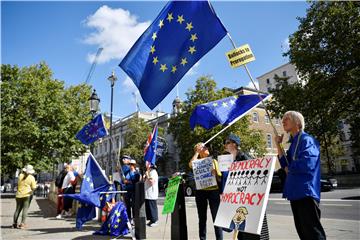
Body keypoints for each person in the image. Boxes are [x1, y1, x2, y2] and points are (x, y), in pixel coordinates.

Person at [275, 111, 326, 240]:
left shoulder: (307, 140)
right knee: (303, 232)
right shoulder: (293, 143)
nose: (283, 121)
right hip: (295, 192)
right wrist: (278, 145)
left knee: (313, 233)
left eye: (287, 118)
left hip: (306, 192)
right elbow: (284, 163)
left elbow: (308, 163)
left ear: (297, 122)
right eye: (283, 119)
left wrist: (289, 168)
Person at [222, 134, 269, 240]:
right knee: (242, 233)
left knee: (254, 234)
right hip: (239, 202)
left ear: (234, 144)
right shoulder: (229, 161)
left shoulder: (244, 157)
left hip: (250, 201)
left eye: (227, 142)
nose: (225, 145)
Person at [189, 143, 223, 240]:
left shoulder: (213, 161)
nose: (206, 148)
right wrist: (196, 153)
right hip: (201, 192)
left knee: (216, 218)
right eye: (203, 147)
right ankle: (202, 238)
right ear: (198, 150)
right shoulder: (196, 162)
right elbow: (191, 164)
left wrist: (215, 173)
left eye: (206, 147)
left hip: (213, 191)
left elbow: (220, 179)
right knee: (202, 218)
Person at [13, 164, 37, 229]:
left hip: (18, 195)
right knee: (25, 210)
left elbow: (18, 184)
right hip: (27, 195)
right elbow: (34, 187)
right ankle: (22, 224)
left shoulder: (20, 175)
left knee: (17, 209)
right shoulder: (31, 178)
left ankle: (14, 223)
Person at [144, 163, 159, 227]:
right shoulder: (149, 172)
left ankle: (155, 220)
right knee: (149, 208)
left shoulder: (153, 172)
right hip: (148, 193)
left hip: (152, 193)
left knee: (152, 207)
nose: (146, 164)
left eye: (147, 163)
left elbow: (152, 182)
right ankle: (151, 220)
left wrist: (147, 175)